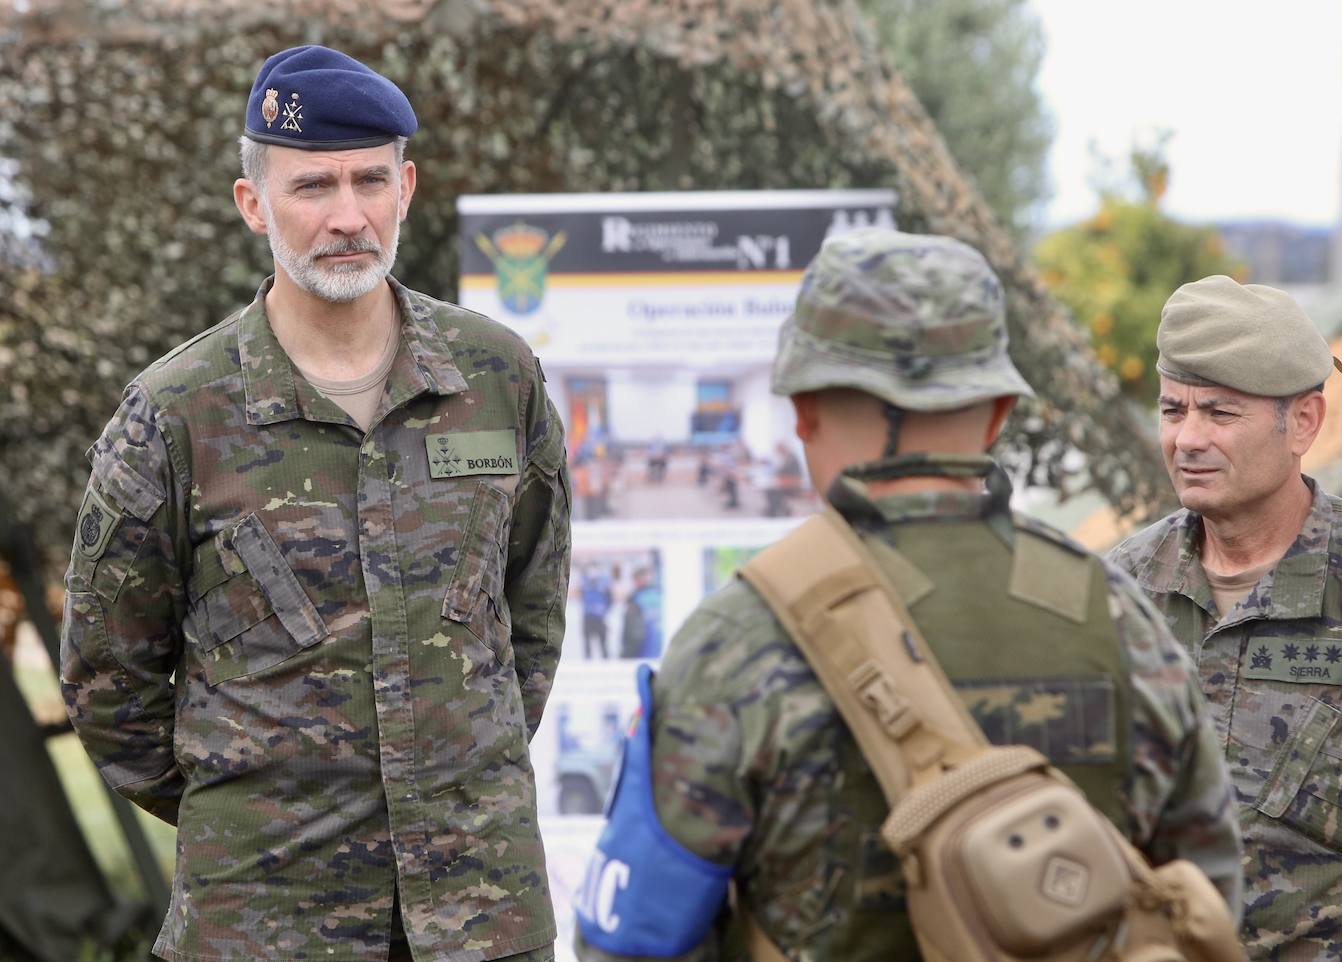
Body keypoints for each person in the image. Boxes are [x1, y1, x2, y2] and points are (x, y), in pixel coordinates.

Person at [574, 230, 1242, 960]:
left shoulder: (738, 634)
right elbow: (1201, 895)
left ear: (804, 410)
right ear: (995, 411)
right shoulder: (1118, 617)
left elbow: (633, 939)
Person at [59, 44, 569, 962]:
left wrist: (451, 771)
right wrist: (248, 807)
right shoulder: (176, 414)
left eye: (370, 180)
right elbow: (108, 686)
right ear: (254, 203)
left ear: (406, 188)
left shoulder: (498, 378)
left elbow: (530, 617)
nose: (348, 217)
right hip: (264, 923)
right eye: (312, 187)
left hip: (480, 916)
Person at [1106, 275, 1342, 960]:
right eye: (1172, 411)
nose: (1187, 439)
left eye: (1220, 415)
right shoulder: (1117, 590)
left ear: (1303, 424)